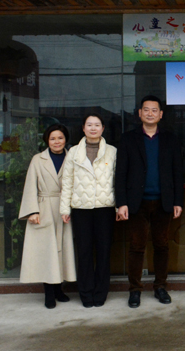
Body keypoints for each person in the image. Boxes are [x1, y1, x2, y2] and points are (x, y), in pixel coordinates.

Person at [115, 95, 183, 308]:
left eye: (154, 110)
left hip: (163, 202)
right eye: (146, 110)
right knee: (137, 247)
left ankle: (160, 287)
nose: (150, 113)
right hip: (137, 203)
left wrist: (178, 201)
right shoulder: (128, 139)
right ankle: (135, 290)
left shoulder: (170, 139)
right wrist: (121, 203)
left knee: (162, 246)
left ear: (161, 114)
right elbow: (120, 173)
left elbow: (177, 172)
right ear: (139, 113)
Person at [60, 114, 117, 308]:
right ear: (83, 128)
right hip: (81, 209)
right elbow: (67, 181)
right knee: (83, 252)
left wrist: (119, 206)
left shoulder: (112, 151)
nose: (93, 128)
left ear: (103, 128)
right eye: (89, 125)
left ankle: (100, 293)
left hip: (105, 208)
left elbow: (118, 181)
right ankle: (85, 293)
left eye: (97, 125)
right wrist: (64, 208)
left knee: (103, 252)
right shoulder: (73, 152)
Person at [19, 124, 76, 309]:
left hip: (66, 208)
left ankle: (59, 289)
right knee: (47, 252)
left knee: (63, 251)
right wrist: (32, 211)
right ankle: (49, 293)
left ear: (66, 139)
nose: (56, 142)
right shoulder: (38, 159)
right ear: (46, 140)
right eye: (52, 138)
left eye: (60, 138)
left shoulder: (72, 157)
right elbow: (30, 185)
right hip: (44, 208)